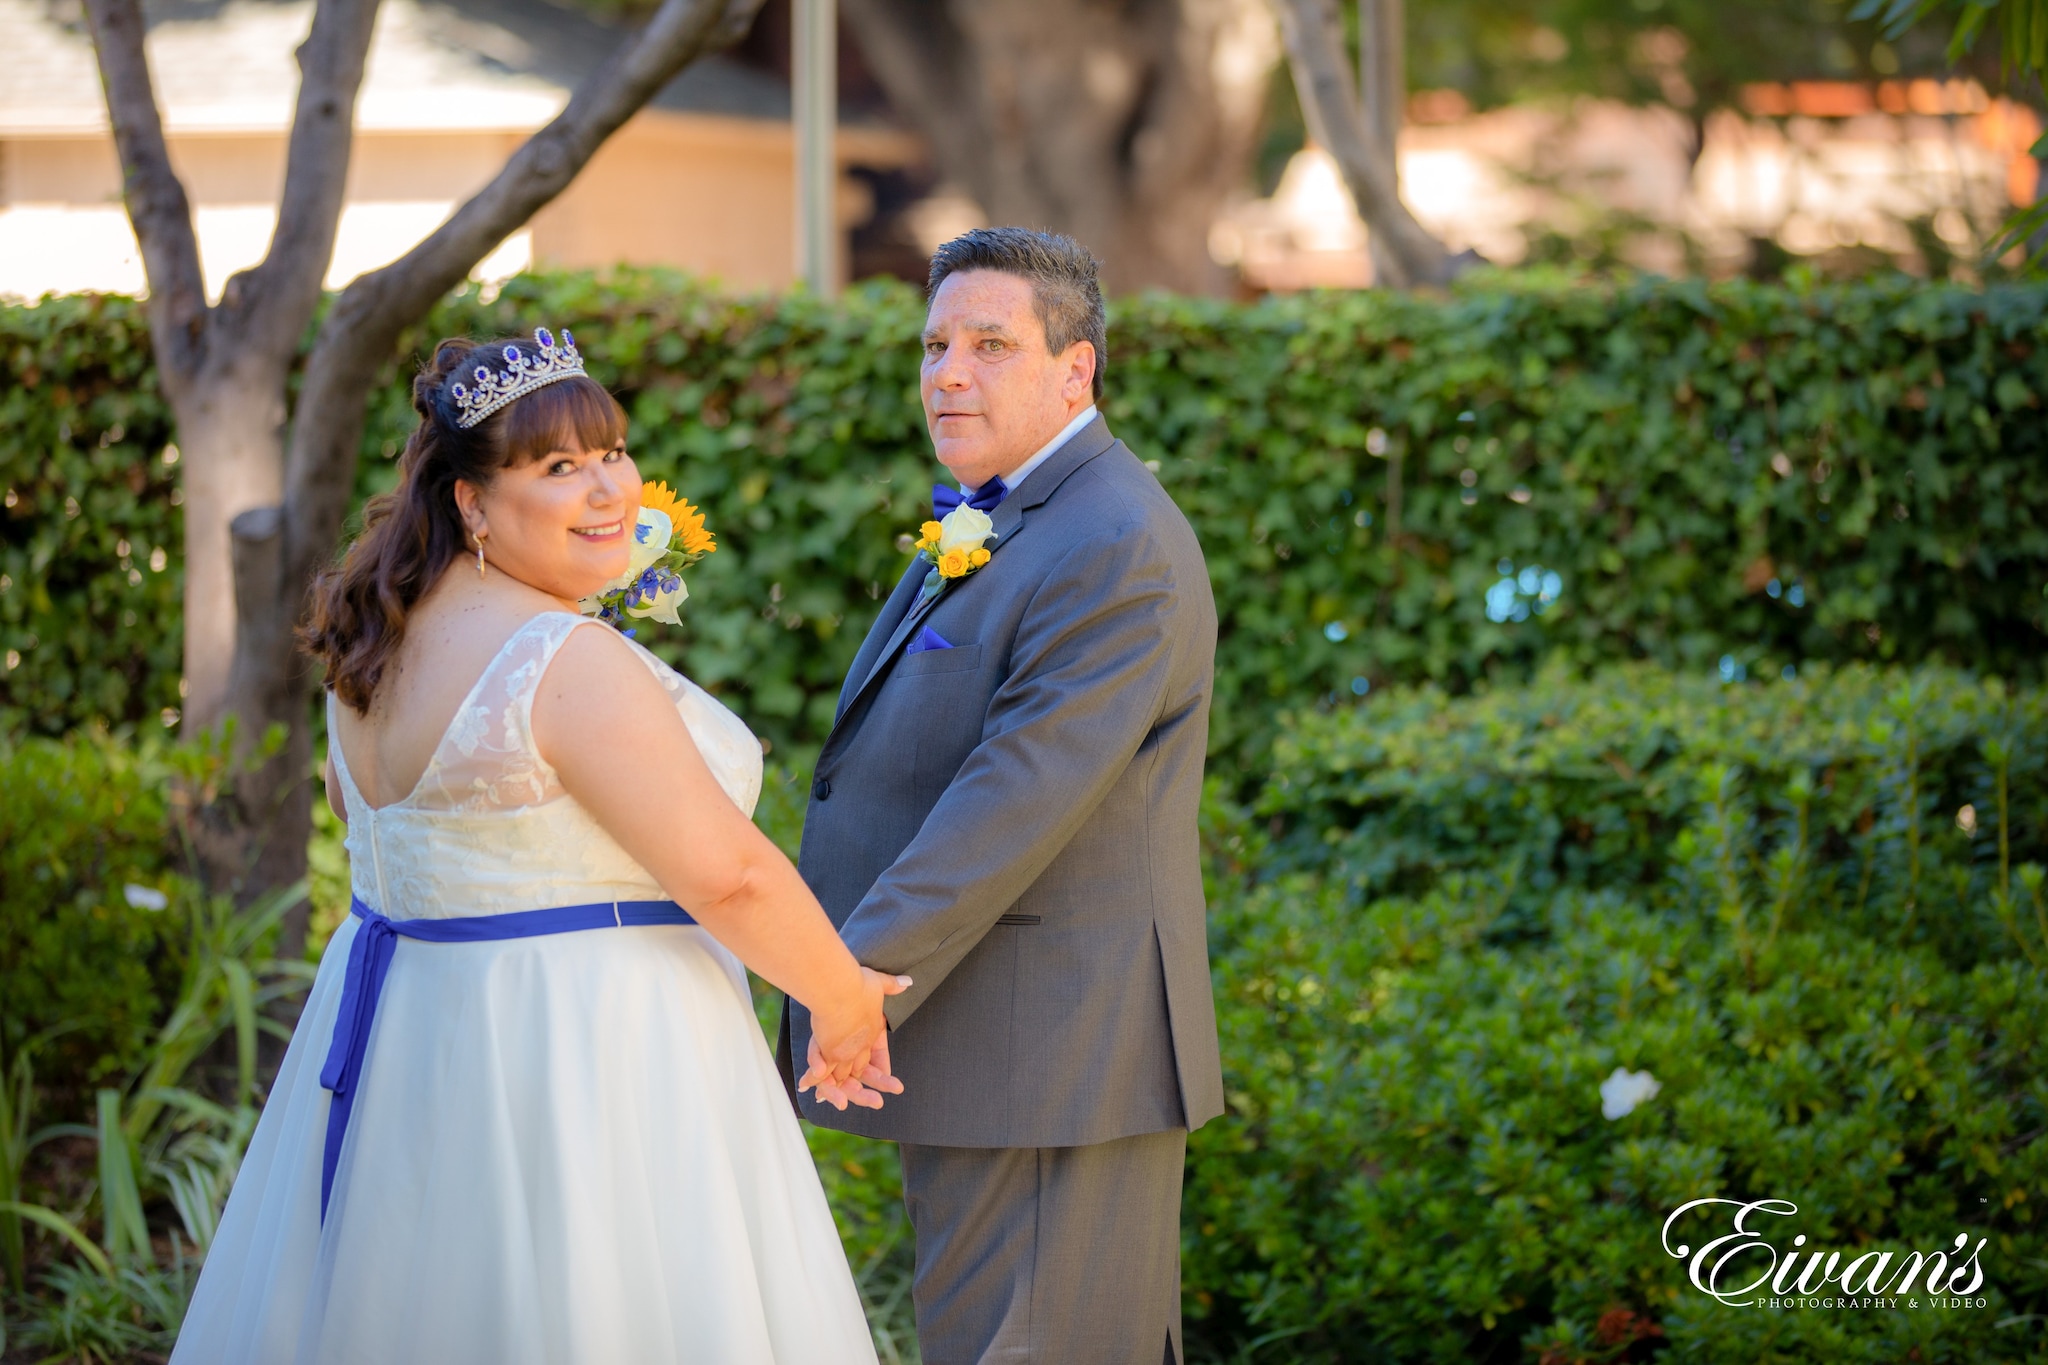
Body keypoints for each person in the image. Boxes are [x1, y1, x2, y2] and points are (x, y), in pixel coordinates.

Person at [171, 329, 902, 1365]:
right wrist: (842, 999)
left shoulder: (372, 643)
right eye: (559, 467)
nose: (608, 489)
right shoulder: (562, 657)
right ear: (472, 503)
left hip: (416, 1037)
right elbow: (728, 875)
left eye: (613, 453)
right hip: (582, 1051)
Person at [781, 228, 1224, 1364]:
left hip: (1052, 1055)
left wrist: (854, 975)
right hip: (997, 1041)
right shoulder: (1011, 511)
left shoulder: (1112, 540)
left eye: (989, 345)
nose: (948, 373)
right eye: (935, 346)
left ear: (1075, 370)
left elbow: (1018, 791)